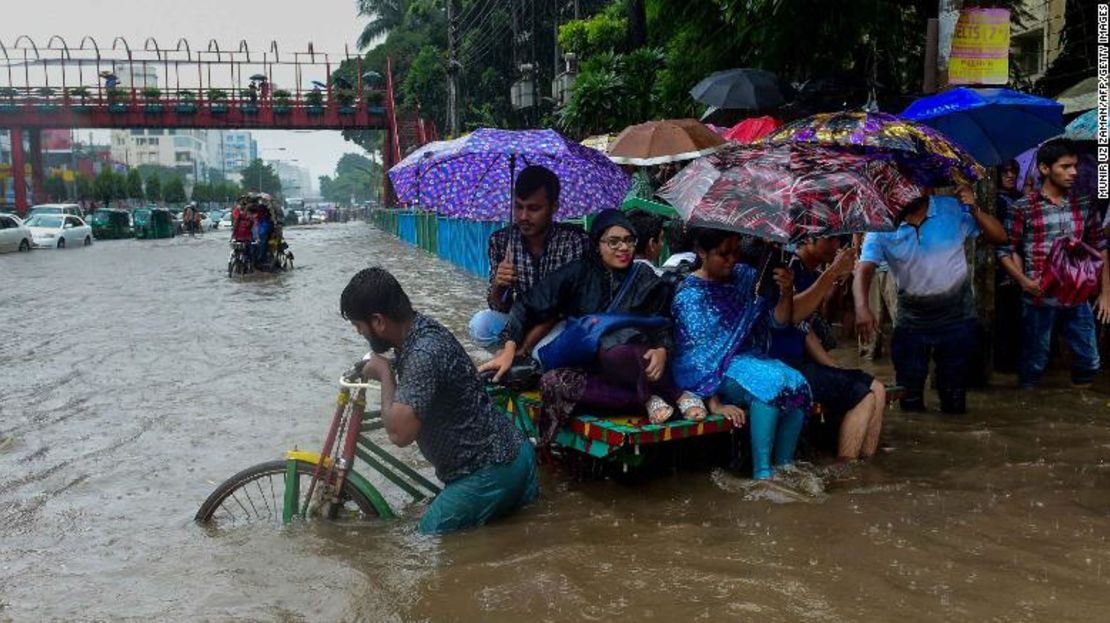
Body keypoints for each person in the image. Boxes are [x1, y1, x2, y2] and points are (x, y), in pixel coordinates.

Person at [479, 209, 706, 443]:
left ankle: (676, 394)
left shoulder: (644, 276)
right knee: (552, 384)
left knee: (615, 352)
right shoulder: (578, 273)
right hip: (592, 365)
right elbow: (526, 305)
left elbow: (661, 320)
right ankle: (644, 399)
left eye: (629, 240)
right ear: (597, 244)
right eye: (613, 242)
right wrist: (509, 348)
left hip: (633, 360)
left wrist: (662, 350)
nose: (623, 248)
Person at [341, 267, 538, 534]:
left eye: (359, 326)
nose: (359, 333)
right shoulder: (420, 331)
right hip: (512, 457)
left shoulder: (423, 351)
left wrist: (385, 373)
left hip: (489, 472)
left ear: (378, 321)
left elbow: (399, 434)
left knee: (421, 545)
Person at [671, 228, 810, 480]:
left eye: (735, 252)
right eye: (723, 254)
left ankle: (786, 468)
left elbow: (778, 323)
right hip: (719, 375)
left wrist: (787, 291)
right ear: (702, 253)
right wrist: (715, 404)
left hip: (750, 359)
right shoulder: (688, 295)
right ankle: (763, 474)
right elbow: (693, 361)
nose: (732, 260)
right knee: (769, 383)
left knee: (797, 383)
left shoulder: (747, 278)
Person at [855, 188, 1007, 414]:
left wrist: (975, 210)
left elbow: (1000, 237)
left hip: (958, 318)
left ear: (926, 189)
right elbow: (864, 269)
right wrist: (862, 307)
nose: (901, 193)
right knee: (909, 396)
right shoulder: (881, 222)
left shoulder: (952, 208)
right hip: (912, 320)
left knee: (955, 396)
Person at [998, 138, 1109, 389]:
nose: (1073, 172)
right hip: (1039, 295)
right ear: (1045, 169)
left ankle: (1080, 412)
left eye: (1075, 166)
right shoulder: (1023, 207)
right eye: (1066, 166)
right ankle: (1029, 409)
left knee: (1089, 361)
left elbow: (1101, 247)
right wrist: (1025, 282)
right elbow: (1005, 250)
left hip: (1078, 295)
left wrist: (1106, 294)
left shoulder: (1084, 203)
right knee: (1034, 364)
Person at [768, 236, 885, 462]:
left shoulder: (811, 272)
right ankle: (845, 471)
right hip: (782, 366)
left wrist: (833, 367)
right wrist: (831, 273)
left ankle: (867, 465)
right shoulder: (788, 268)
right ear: (809, 238)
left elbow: (806, 330)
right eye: (831, 240)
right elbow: (792, 317)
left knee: (877, 389)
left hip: (802, 363)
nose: (836, 246)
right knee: (864, 397)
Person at [468, 165, 588, 357]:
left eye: (533, 208)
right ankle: (514, 361)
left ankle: (522, 360)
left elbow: (560, 310)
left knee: (540, 352)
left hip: (558, 323)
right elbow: (497, 305)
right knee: (480, 325)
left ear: (554, 207)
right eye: (518, 206)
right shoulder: (501, 241)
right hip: (520, 319)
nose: (523, 216)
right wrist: (499, 285)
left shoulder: (573, 242)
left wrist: (521, 348)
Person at [993, 160, 1025, 373]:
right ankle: (1003, 363)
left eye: (1014, 172)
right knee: (1003, 316)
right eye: (1006, 172)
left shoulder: (1020, 198)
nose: (1010, 175)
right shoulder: (995, 200)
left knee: (1017, 316)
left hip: (1022, 259)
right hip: (1002, 262)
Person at [626, 208, 665, 276]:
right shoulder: (660, 280)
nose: (662, 244)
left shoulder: (610, 275)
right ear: (651, 244)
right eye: (661, 239)